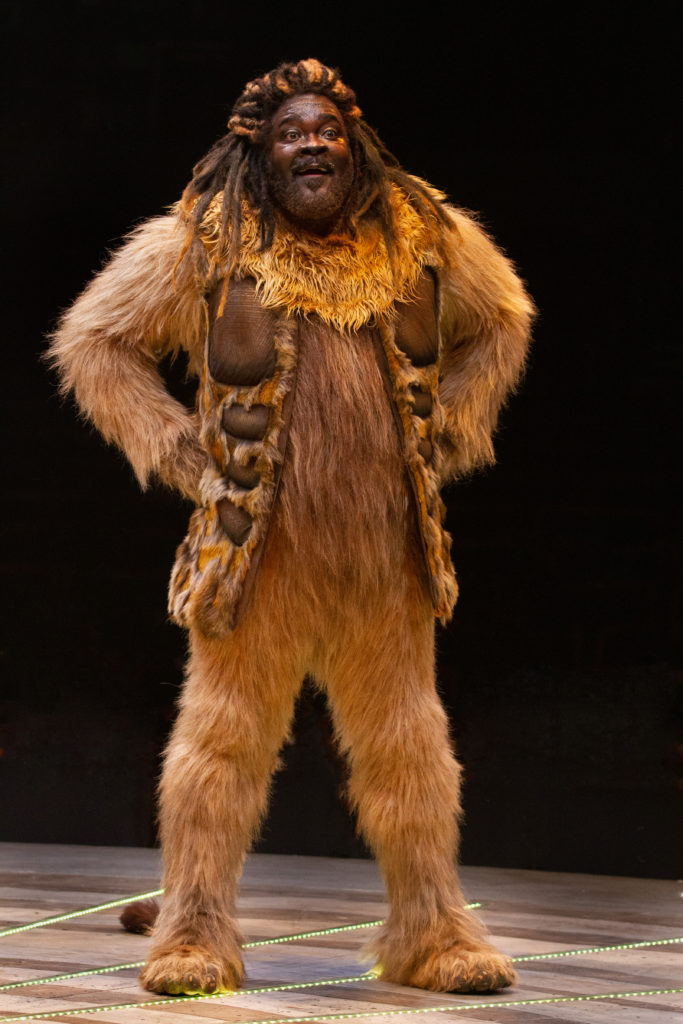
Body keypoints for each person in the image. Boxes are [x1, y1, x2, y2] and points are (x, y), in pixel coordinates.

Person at [48, 58, 535, 996]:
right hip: (253, 553)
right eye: (289, 134)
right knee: (220, 739)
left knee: (409, 745)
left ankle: (432, 932)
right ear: (257, 154)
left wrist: (452, 431)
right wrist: (177, 448)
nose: (312, 143)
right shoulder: (203, 240)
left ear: (355, 148)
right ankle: (192, 929)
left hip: (385, 553)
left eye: (328, 132)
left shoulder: (420, 232)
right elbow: (92, 342)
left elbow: (504, 319)